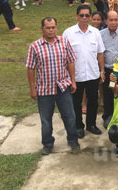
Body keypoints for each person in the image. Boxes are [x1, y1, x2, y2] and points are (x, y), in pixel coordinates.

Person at [25, 17, 80, 155]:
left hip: (63, 87)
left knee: (69, 116)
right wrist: (32, 88)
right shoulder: (35, 46)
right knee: (46, 119)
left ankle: (73, 140)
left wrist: (73, 81)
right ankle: (48, 143)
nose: (51, 30)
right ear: (42, 29)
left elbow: (71, 62)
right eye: (48, 28)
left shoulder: (64, 42)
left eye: (53, 27)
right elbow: (31, 69)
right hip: (44, 90)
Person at [62, 4, 106, 138]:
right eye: (82, 15)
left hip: (93, 74)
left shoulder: (95, 32)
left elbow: (100, 53)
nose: (84, 18)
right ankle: (78, 126)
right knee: (76, 102)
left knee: (93, 101)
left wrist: (102, 71)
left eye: (87, 15)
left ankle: (91, 124)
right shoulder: (68, 33)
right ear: (77, 16)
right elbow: (63, 56)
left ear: (91, 17)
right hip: (76, 76)